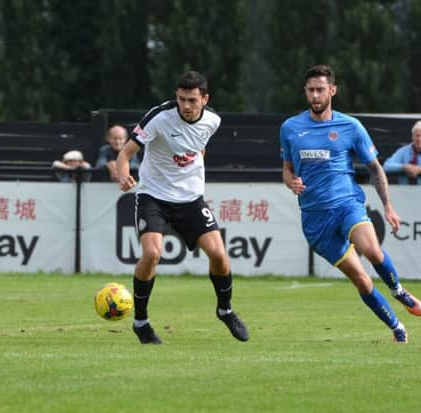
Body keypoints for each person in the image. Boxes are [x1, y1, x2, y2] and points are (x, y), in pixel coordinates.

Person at [280, 64, 421, 344]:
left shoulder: (350, 126)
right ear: (305, 92)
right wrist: (290, 182)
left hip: (347, 204)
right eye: (311, 90)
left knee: (372, 250)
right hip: (315, 220)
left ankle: (398, 291)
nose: (316, 95)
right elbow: (286, 168)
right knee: (361, 279)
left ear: (332, 90)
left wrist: (388, 206)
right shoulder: (291, 128)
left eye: (321, 89)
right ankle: (396, 327)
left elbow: (375, 168)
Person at [117, 70, 249, 345]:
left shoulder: (213, 121)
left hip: (190, 200)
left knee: (219, 254)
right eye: (181, 99)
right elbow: (125, 153)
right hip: (153, 196)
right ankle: (141, 322)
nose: (186, 106)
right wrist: (123, 174)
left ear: (204, 98)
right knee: (152, 254)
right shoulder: (159, 117)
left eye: (191, 100)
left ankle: (225, 310)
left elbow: (199, 147)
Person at [383, 121, 421, 185]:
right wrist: (403, 167)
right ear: (412, 137)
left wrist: (419, 169)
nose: (419, 139)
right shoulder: (404, 151)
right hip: (405, 191)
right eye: (417, 136)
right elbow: (386, 166)